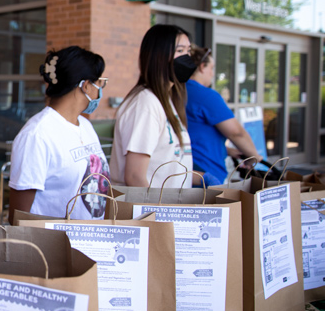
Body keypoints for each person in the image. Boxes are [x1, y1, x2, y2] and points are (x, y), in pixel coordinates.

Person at [8, 46, 111, 225]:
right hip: (56, 248)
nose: (101, 90)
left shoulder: (85, 126)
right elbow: (18, 216)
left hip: (91, 243)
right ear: (86, 86)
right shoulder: (37, 135)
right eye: (100, 83)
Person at [110, 24, 197, 188]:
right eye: (180, 51)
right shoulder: (145, 103)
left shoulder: (166, 100)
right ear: (159, 56)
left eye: (188, 51)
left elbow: (165, 164)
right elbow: (135, 177)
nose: (187, 58)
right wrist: (158, 212)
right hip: (152, 211)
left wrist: (201, 179)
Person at [186, 46, 260, 186]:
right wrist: (254, 157)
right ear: (202, 67)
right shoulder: (206, 96)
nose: (213, 73)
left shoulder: (175, 92)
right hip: (207, 175)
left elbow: (192, 136)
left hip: (185, 173)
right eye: (212, 68)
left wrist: (228, 150)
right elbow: (236, 133)